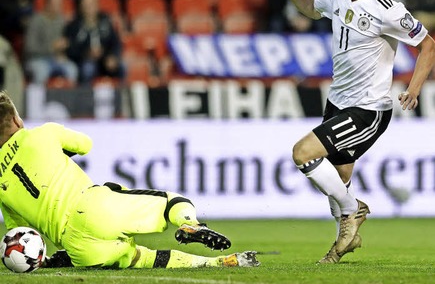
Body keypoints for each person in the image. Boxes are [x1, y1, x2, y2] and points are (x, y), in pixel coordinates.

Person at [273, 0, 435, 263]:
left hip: (368, 109)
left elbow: (429, 46)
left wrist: (414, 88)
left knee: (303, 153)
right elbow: (310, 7)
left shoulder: (388, 10)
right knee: (339, 178)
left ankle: (354, 210)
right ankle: (342, 243)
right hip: (337, 101)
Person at [0, 91, 260, 269]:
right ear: (16, 119)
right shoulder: (43, 134)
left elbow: (18, 229)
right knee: (172, 202)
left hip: (78, 248)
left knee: (141, 258)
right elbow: (85, 145)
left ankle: (217, 263)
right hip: (92, 207)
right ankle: (191, 224)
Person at [63, 0, 124, 84]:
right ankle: (85, 96)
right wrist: (86, 53)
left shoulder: (105, 21)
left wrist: (113, 56)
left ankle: (122, 96)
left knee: (122, 66)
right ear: (80, 6)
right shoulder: (74, 26)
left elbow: (115, 42)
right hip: (83, 60)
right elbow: (70, 49)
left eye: (92, 4)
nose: (90, 7)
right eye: (87, 4)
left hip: (105, 59)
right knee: (88, 68)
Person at [23, 0, 78, 85]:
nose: (58, 5)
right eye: (55, 2)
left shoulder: (61, 20)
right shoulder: (36, 20)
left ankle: (68, 99)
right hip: (36, 59)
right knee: (41, 71)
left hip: (55, 59)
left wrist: (64, 48)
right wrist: (52, 47)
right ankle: (37, 99)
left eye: (60, 2)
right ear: (47, 2)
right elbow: (29, 47)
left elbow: (64, 44)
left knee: (72, 69)